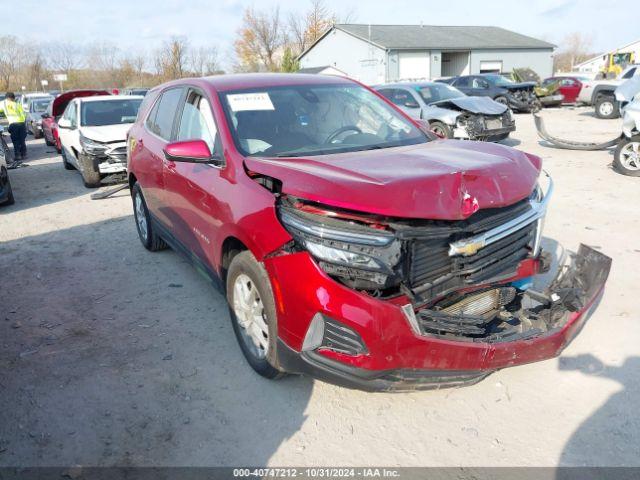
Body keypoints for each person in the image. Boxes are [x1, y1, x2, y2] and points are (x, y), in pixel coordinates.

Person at [0, 92, 28, 162]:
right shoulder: (17, 104)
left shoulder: (3, 104)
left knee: (15, 141)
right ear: (13, 98)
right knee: (22, 140)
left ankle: (18, 155)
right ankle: (24, 154)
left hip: (13, 124)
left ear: (6, 97)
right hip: (21, 124)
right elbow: (23, 114)